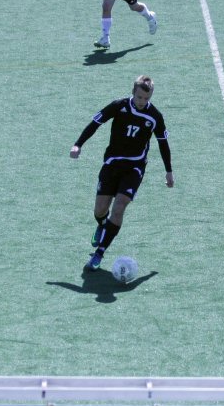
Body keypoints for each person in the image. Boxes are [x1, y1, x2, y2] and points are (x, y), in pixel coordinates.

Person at [70, 75, 174, 272]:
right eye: (139, 97)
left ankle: (99, 253)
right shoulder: (118, 106)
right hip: (112, 164)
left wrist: (169, 171)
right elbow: (95, 123)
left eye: (147, 98)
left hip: (134, 168)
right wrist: (78, 144)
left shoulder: (155, 117)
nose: (143, 102)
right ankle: (102, 224)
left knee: (119, 207)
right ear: (133, 93)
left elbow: (163, 143)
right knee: (100, 210)